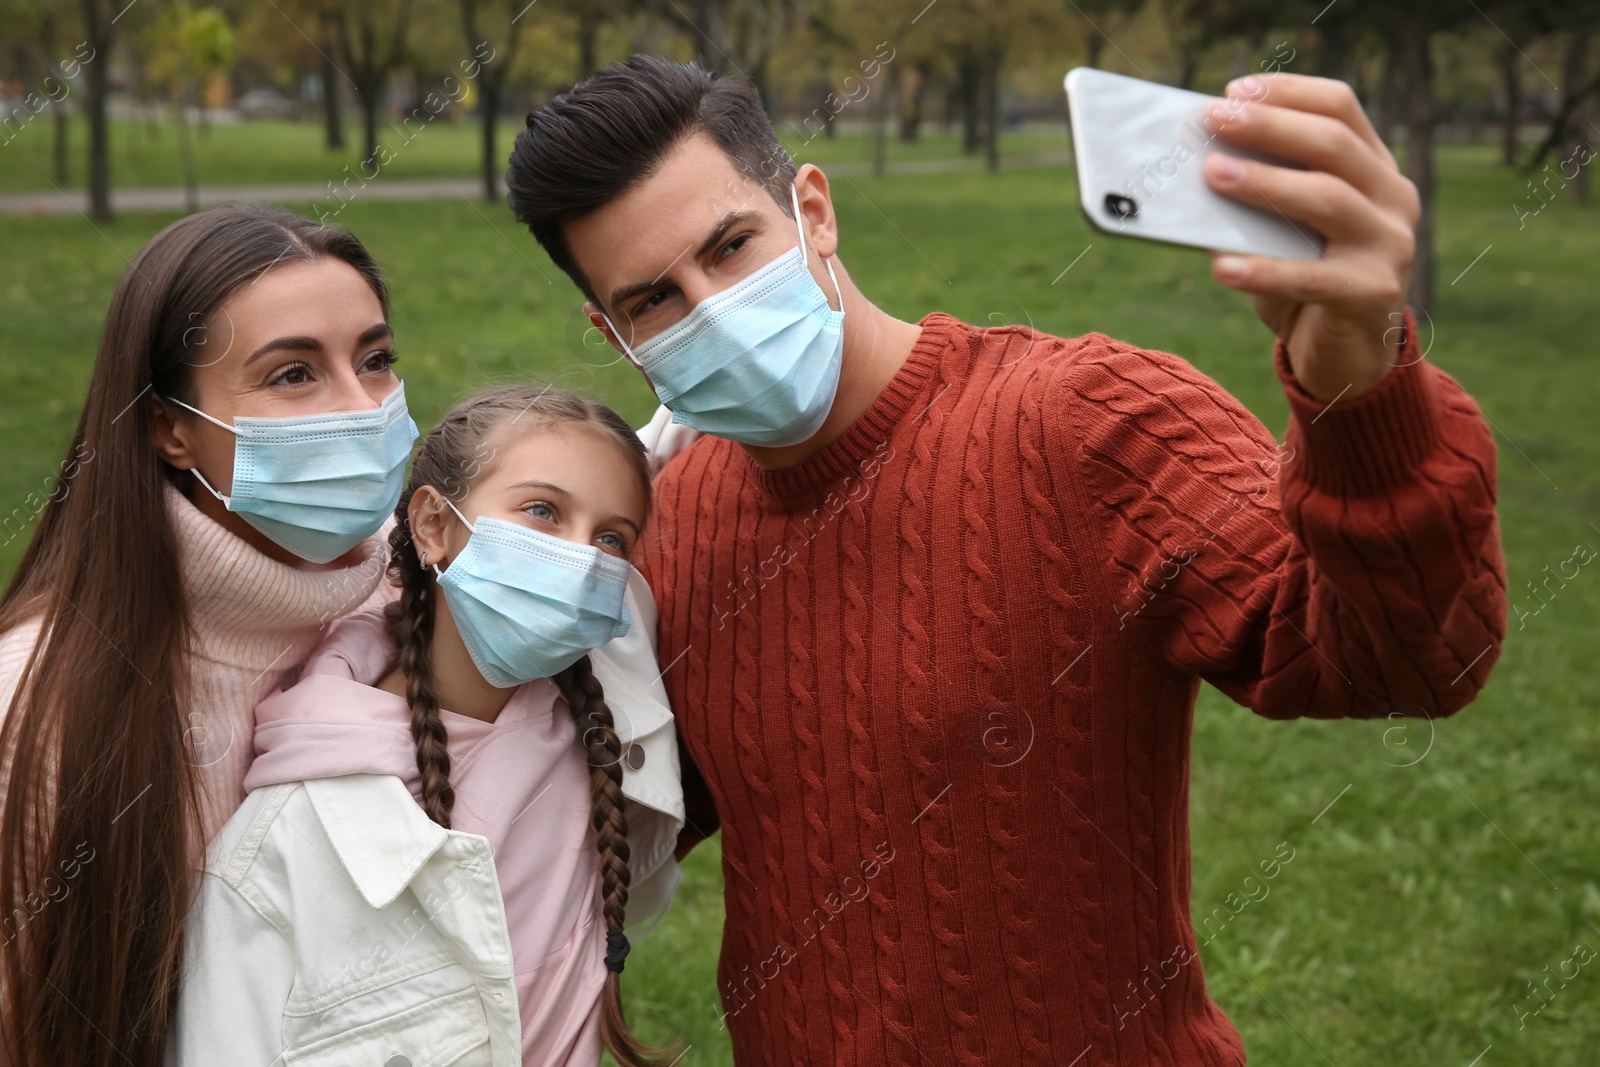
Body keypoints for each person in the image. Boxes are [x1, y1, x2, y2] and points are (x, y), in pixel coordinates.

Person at [504, 56, 1507, 1065]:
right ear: (613, 335)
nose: (711, 307)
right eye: (655, 301)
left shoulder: (1090, 420)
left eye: (730, 246)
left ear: (813, 209)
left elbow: (1405, 659)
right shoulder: (658, 527)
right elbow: (583, 828)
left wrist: (1361, 392)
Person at [169, 385, 684, 1067]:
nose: (582, 560)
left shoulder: (596, 720)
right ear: (434, 527)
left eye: (611, 537)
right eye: (542, 511)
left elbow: (705, 419)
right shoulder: (287, 842)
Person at [0, 206, 408, 1065]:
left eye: (375, 360)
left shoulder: (407, 596)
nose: (364, 407)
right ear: (170, 429)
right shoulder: (39, 701)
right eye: (294, 374)